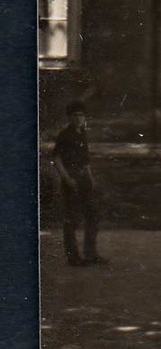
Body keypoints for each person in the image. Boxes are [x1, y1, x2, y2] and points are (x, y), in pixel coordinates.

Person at [53, 101, 104, 266]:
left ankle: (90, 254)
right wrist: (67, 178)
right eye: (74, 115)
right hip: (71, 180)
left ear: (84, 117)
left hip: (84, 180)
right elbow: (57, 158)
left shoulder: (82, 133)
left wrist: (91, 178)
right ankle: (73, 257)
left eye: (81, 115)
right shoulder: (64, 135)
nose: (78, 118)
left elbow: (86, 160)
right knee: (71, 219)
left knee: (93, 214)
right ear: (69, 117)